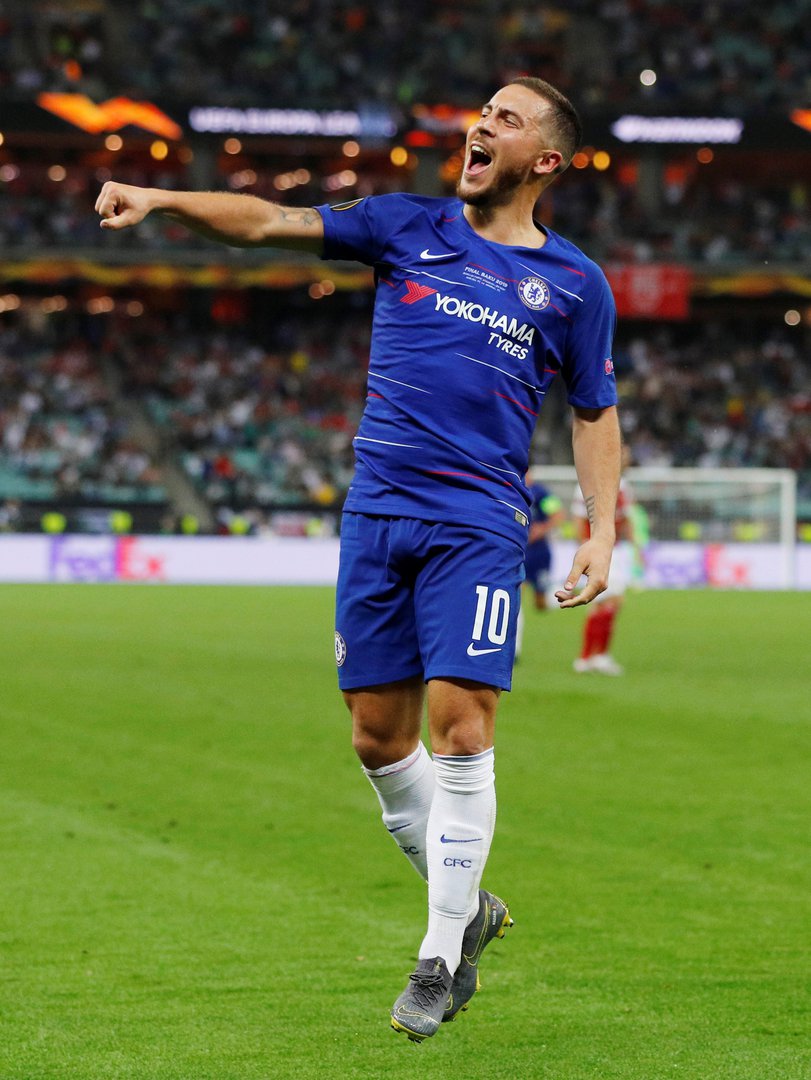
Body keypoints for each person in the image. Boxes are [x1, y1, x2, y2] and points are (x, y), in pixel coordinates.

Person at [95, 76, 622, 1043]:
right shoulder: (404, 225)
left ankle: (439, 956)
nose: (481, 124)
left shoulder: (575, 284)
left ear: (545, 160)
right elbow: (266, 222)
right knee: (379, 741)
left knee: (462, 728)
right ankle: (470, 907)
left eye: (506, 120)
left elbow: (594, 409)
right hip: (377, 516)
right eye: (484, 112)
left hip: (477, 523)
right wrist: (163, 198)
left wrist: (598, 528)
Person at [572, 446, 635, 675]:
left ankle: (598, 655)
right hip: (598, 549)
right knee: (602, 601)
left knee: (613, 603)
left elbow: (626, 519)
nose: (626, 458)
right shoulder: (588, 484)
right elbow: (578, 520)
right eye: (621, 454)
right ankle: (587, 657)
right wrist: (585, 549)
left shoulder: (624, 486)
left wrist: (634, 548)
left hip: (616, 550)